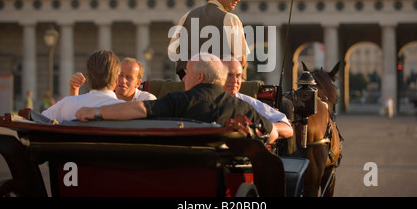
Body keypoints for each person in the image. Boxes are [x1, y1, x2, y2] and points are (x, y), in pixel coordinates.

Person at [75, 53, 278, 144]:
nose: (184, 78)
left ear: (199, 76)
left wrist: (95, 112)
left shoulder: (178, 100)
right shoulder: (242, 107)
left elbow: (138, 110)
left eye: (187, 73)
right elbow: (272, 134)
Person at [168, 0, 251, 80]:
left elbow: (173, 53)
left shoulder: (187, 16)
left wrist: (188, 79)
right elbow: (241, 59)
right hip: (222, 88)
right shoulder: (231, 19)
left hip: (192, 87)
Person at [42, 49, 124, 123]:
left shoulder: (66, 105)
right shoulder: (125, 110)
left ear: (88, 77)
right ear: (117, 80)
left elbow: (38, 120)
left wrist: (73, 98)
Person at [222, 57, 293, 139]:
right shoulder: (207, 100)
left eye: (238, 76)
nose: (234, 80)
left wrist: (266, 128)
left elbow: (287, 127)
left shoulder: (248, 103)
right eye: (229, 75)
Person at [69, 57, 156, 101]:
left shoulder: (148, 101)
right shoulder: (104, 97)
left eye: (129, 77)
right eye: (120, 75)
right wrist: (74, 89)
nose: (122, 81)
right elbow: (75, 112)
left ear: (137, 83)